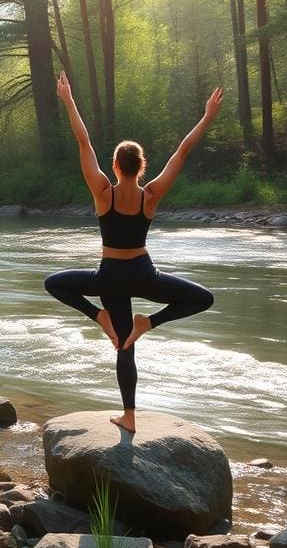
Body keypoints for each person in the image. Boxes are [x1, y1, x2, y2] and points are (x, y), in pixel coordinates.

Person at [44, 72, 223, 433]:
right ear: (141, 166)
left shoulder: (102, 191)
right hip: (144, 275)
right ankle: (148, 324)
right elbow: (182, 151)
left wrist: (68, 100)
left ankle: (103, 328)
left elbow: (84, 142)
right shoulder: (150, 195)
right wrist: (206, 116)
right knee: (203, 298)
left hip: (109, 278)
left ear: (114, 166)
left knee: (56, 285)